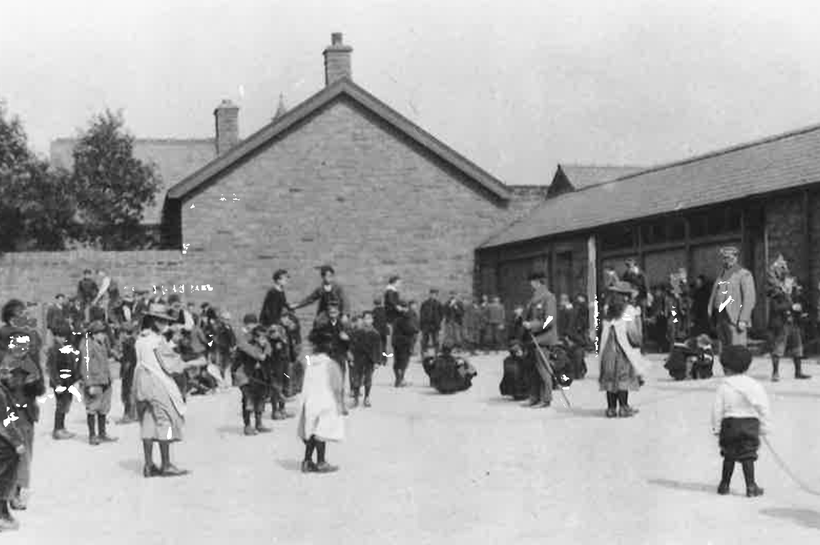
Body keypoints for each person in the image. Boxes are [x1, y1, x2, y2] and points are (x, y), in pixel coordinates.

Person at [134, 304, 207, 478]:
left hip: (142, 382)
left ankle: (149, 464)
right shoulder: (157, 341)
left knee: (149, 420)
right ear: (152, 320)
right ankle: (166, 464)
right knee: (165, 420)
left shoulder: (141, 339)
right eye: (160, 320)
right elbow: (172, 364)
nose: (163, 323)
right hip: (157, 382)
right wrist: (195, 363)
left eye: (164, 320)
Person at [0, 300, 45, 512]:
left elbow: (38, 382)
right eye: (22, 315)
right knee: (17, 451)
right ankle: (11, 496)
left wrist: (34, 381)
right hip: (11, 406)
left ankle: (13, 495)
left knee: (18, 452)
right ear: (11, 319)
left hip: (22, 406)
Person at [711, 345, 769, 497]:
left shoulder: (724, 386)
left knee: (729, 454)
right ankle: (751, 486)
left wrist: (716, 428)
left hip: (730, 423)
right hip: (749, 423)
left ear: (726, 367)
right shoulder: (754, 385)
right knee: (748, 455)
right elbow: (763, 407)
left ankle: (724, 485)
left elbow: (717, 409)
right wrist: (764, 426)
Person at [599, 281, 650, 418]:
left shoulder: (607, 310)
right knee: (623, 378)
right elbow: (632, 331)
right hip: (623, 349)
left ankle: (610, 408)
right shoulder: (628, 310)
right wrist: (639, 342)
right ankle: (623, 407)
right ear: (626, 296)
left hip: (608, 348)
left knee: (610, 378)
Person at [297, 327, 345, 474]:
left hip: (309, 400)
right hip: (326, 401)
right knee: (322, 433)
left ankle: (306, 461)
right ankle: (321, 462)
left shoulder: (309, 363)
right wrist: (340, 404)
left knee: (310, 431)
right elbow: (337, 386)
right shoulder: (331, 364)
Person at [708, 246, 756, 352]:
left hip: (735, 318)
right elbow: (714, 295)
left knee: (737, 350)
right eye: (724, 258)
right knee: (724, 351)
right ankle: (726, 368)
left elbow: (749, 299)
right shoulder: (721, 276)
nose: (727, 261)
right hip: (721, 318)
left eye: (730, 258)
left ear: (736, 258)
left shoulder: (744, 274)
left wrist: (743, 319)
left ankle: (737, 368)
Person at [767, 264, 810, 381]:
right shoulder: (776, 294)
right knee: (778, 349)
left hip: (794, 324)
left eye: (791, 281)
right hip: (781, 324)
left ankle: (798, 372)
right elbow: (775, 308)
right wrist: (791, 307)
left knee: (797, 348)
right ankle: (775, 373)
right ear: (782, 282)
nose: (790, 283)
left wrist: (801, 312)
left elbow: (800, 306)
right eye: (788, 281)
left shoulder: (795, 294)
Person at [521, 272, 558, 409]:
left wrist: (533, 325)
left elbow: (550, 320)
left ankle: (546, 399)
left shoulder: (548, 297)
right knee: (532, 370)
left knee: (543, 369)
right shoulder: (534, 298)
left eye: (532, 282)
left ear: (538, 282)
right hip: (532, 339)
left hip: (543, 339)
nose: (531, 285)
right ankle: (534, 397)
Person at [80, 321, 118, 446]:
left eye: (104, 332)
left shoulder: (101, 344)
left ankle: (102, 433)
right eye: (101, 333)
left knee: (103, 408)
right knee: (92, 408)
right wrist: (88, 383)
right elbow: (84, 366)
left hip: (105, 380)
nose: (104, 335)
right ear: (94, 334)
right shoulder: (87, 345)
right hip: (94, 381)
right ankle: (92, 435)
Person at [232, 324, 273, 435]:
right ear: (255, 337)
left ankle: (259, 424)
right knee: (248, 399)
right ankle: (247, 426)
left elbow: (267, 354)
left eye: (265, 338)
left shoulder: (264, 345)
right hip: (243, 375)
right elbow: (258, 355)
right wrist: (263, 352)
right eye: (261, 337)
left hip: (258, 376)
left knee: (260, 398)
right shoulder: (246, 345)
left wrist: (265, 349)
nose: (264, 340)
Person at [0, 365, 24, 531]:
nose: (9, 376)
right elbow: (4, 422)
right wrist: (17, 443)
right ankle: (2, 514)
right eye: (5, 372)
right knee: (5, 476)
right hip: (3, 444)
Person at [47, 325, 80, 438]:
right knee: (61, 405)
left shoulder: (66, 346)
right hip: (60, 381)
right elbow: (51, 368)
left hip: (67, 380)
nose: (62, 338)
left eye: (64, 336)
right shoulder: (53, 349)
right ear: (55, 336)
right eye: (59, 336)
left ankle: (62, 427)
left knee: (65, 404)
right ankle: (57, 429)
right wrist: (57, 384)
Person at [349, 311, 381, 408]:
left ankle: (367, 397)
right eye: (366, 318)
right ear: (362, 320)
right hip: (358, 359)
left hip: (370, 360)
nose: (367, 320)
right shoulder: (357, 332)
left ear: (372, 320)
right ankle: (355, 399)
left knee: (368, 379)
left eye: (370, 318)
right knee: (356, 379)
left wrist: (377, 361)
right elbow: (352, 346)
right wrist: (351, 357)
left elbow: (378, 349)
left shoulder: (375, 333)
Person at [391, 301, 418, 388]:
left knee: (397, 361)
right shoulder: (406, 317)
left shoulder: (395, 316)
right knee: (403, 362)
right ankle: (400, 379)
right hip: (405, 343)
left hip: (396, 342)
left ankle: (398, 379)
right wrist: (415, 329)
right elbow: (411, 329)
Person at [117, 322, 139, 423]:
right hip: (135, 371)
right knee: (132, 392)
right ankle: (134, 414)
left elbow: (128, 361)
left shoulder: (127, 344)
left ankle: (128, 415)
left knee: (127, 393)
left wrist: (123, 372)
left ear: (125, 333)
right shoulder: (134, 342)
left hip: (129, 372)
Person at [419, 289, 444, 355]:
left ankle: (437, 353)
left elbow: (441, 314)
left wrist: (438, 322)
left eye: (434, 294)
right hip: (426, 325)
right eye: (431, 294)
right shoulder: (425, 303)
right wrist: (421, 325)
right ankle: (424, 354)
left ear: (436, 295)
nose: (433, 296)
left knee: (436, 340)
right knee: (424, 340)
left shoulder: (438, 304)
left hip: (435, 325)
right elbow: (421, 314)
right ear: (429, 294)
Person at [372, 297, 388, 365]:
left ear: (374, 303)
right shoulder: (385, 310)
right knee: (384, 346)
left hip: (377, 331)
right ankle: (384, 360)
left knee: (377, 346)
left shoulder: (374, 311)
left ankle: (379, 360)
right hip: (384, 331)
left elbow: (372, 321)